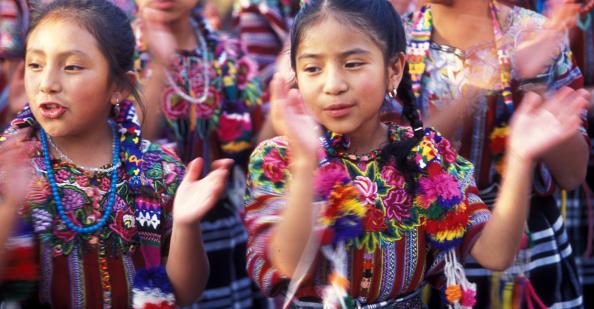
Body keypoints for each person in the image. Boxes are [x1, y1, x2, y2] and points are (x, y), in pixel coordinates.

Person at [242, 0, 590, 308]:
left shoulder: (426, 156)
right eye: (313, 68)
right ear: (296, 76)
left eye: (353, 64)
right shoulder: (279, 159)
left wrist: (520, 158)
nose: (333, 84)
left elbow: (496, 253)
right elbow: (286, 264)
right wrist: (305, 166)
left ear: (394, 69)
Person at [0, 0, 232, 307]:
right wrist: (8, 207)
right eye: (35, 64)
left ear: (121, 86)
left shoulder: (158, 170)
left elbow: (184, 293)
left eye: (72, 66)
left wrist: (187, 225)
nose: (47, 84)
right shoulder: (11, 165)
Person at [406, 0, 590, 307]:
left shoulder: (532, 33)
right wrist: (477, 88)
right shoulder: (394, 38)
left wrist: (533, 83)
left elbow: (572, 174)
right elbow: (394, 157)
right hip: (428, 247)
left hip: (526, 249)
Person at [134, 1, 265, 307]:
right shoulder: (115, 51)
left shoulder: (229, 55)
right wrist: (159, 66)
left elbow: (254, 149)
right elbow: (125, 143)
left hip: (222, 225)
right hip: (150, 227)